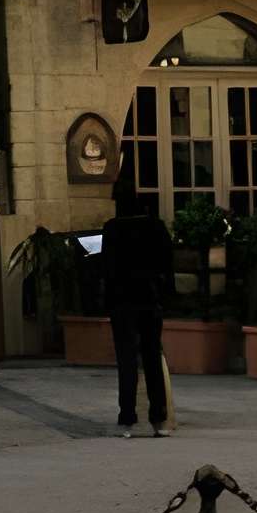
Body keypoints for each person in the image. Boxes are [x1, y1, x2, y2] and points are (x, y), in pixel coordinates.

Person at [100, 179, 174, 437]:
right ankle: (158, 418)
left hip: (122, 302)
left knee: (127, 361)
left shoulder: (112, 229)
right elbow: (167, 262)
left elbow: (106, 268)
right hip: (149, 299)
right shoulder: (155, 226)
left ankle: (127, 419)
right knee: (153, 358)